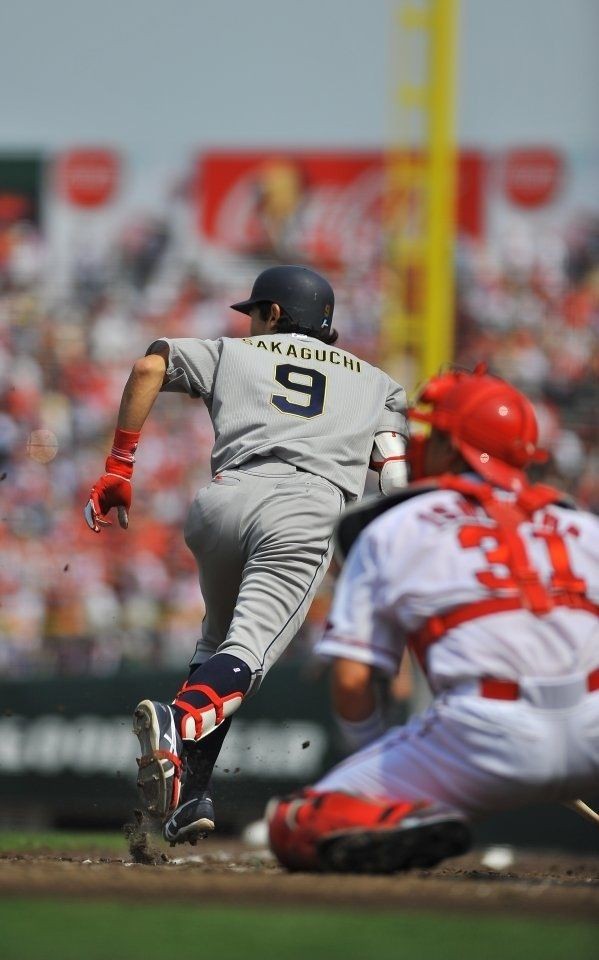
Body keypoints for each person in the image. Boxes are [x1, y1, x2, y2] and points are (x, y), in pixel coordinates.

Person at [84, 264, 409, 844]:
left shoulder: (234, 354)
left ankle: (189, 794)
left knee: (215, 647)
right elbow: (391, 474)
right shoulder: (378, 383)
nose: (251, 323)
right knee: (247, 657)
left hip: (223, 502)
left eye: (254, 312)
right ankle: (178, 726)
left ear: (275, 314)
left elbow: (148, 364)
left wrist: (119, 465)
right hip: (306, 509)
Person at [267, 365, 599, 874]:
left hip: (484, 729)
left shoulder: (396, 523)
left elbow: (353, 679)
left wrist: (374, 759)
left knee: (296, 822)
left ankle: (400, 816)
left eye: (433, 432)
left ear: (451, 444)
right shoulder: (582, 525)